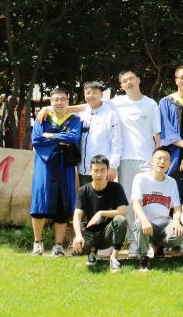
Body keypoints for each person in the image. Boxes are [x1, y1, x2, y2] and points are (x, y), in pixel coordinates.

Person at [110, 69, 162, 256]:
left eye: (131, 78)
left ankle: (151, 241)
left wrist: (157, 158)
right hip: (126, 160)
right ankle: (134, 243)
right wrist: (51, 108)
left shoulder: (151, 104)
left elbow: (157, 135)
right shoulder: (116, 103)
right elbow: (92, 103)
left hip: (147, 159)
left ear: (138, 80)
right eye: (125, 80)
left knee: (149, 201)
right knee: (131, 202)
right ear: (121, 86)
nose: (129, 82)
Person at [30, 88, 82, 257]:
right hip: (44, 166)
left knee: (63, 205)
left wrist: (50, 136)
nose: (59, 102)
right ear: (50, 102)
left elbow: (73, 138)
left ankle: (58, 246)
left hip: (64, 166)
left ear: (68, 101)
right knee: (40, 203)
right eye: (56, 99)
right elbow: (37, 140)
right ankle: (37, 243)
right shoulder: (42, 118)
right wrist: (61, 139)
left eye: (63, 99)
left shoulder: (74, 120)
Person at [130, 147, 183, 272]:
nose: (162, 162)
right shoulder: (140, 178)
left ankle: (159, 246)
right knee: (139, 223)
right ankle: (144, 258)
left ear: (170, 164)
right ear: (151, 161)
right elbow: (136, 204)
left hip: (164, 223)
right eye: (159, 158)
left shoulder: (172, 182)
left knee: (180, 234)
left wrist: (176, 221)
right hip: (147, 224)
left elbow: (177, 207)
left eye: (166, 159)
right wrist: (144, 220)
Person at [71, 155, 128, 272]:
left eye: (103, 170)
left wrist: (101, 213)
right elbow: (77, 215)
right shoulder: (83, 190)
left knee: (121, 220)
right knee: (77, 249)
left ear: (108, 171)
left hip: (108, 233)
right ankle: (92, 252)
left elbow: (123, 211)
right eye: (96, 171)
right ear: (90, 171)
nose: (99, 174)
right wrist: (78, 235)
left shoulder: (116, 188)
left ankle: (114, 257)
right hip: (90, 233)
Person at [76, 81, 123, 186]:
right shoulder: (81, 114)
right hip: (84, 169)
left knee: (103, 195)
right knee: (86, 194)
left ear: (101, 94)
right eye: (88, 93)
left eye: (94, 92)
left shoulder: (110, 114)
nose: (90, 96)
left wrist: (113, 166)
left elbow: (116, 142)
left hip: (102, 168)